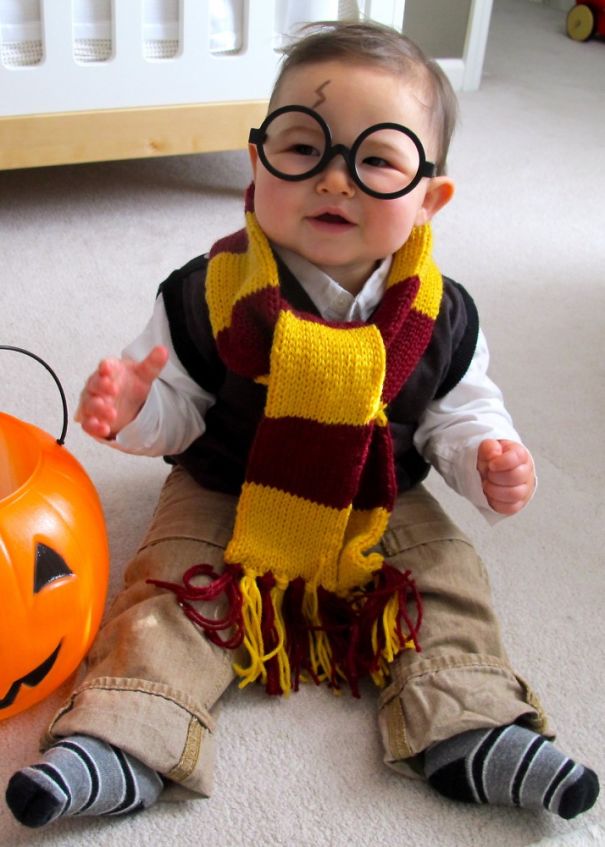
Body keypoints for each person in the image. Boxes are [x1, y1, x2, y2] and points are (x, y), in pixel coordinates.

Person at [5, 21, 598, 829]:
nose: (333, 180)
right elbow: (177, 408)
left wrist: (484, 458)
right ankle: (128, 729)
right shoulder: (206, 293)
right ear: (255, 163)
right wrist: (136, 411)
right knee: (171, 587)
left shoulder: (440, 314)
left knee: (446, 577)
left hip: (376, 490)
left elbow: (459, 409)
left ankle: (470, 718)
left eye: (376, 158)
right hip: (228, 482)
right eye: (302, 147)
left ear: (430, 198)